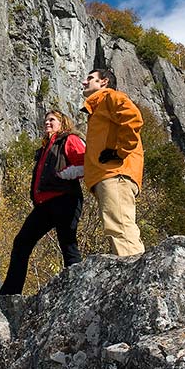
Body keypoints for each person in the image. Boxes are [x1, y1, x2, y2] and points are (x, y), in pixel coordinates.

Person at [0, 110, 86, 295]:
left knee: (68, 244)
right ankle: (9, 293)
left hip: (65, 199)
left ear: (62, 123)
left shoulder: (69, 139)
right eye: (45, 120)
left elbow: (85, 163)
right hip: (45, 204)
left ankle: (79, 289)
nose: (47, 123)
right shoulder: (46, 147)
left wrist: (63, 174)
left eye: (52, 120)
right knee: (22, 242)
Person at [81, 67, 145, 256]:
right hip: (108, 175)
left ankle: (138, 280)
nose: (84, 82)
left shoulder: (110, 98)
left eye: (90, 78)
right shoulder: (98, 108)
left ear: (104, 82)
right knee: (117, 229)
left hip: (115, 174)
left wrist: (119, 152)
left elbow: (133, 119)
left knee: (120, 229)